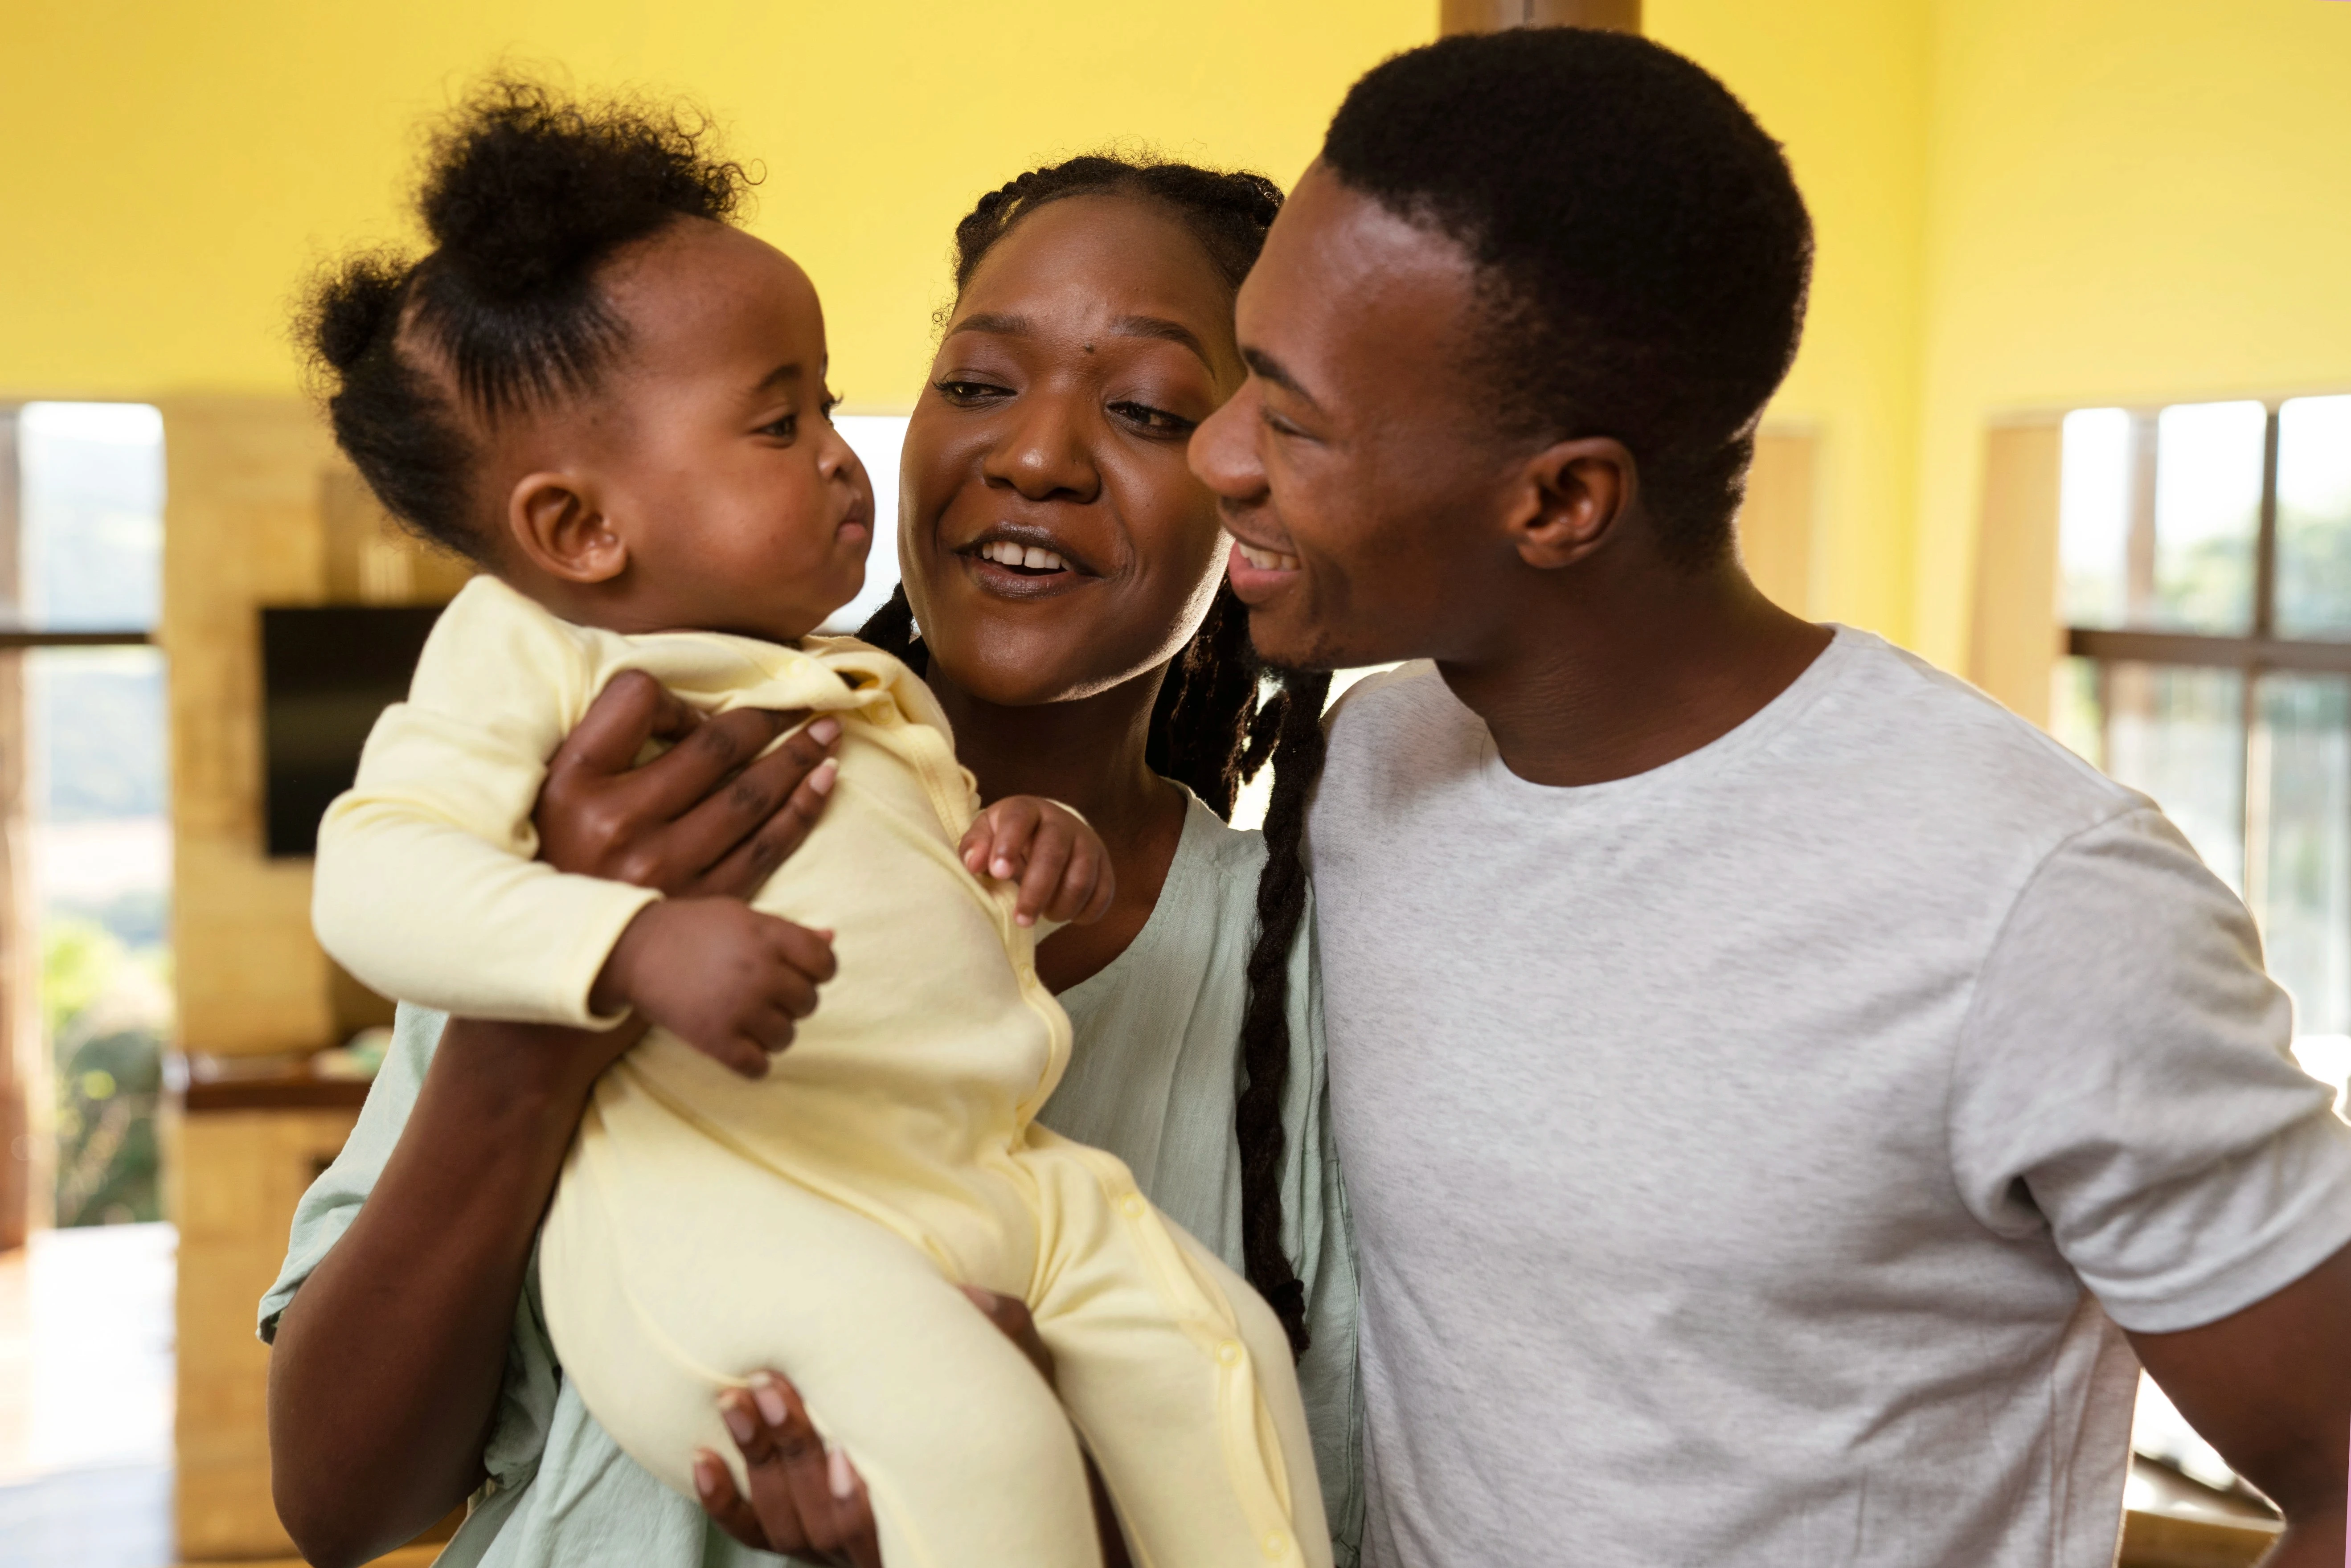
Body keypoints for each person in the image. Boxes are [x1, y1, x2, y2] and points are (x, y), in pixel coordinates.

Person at [1188, 27, 2351, 1568]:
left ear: (1560, 501)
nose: (1217, 453)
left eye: (1290, 419)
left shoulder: (2038, 901)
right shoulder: (1367, 766)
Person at [263, 135, 1363, 1568]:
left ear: (1245, 473)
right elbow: (343, 1501)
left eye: (1149, 408)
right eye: (973, 385)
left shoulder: (1287, 963)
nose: (1035, 453)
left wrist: (1007, 1495)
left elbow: (1295, 1476)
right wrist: (544, 1028)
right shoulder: (620, 794)